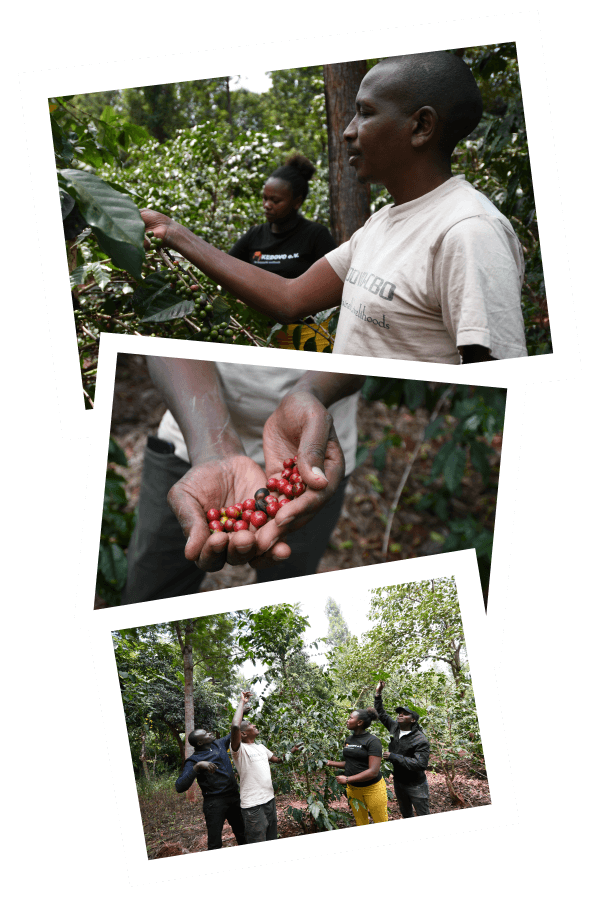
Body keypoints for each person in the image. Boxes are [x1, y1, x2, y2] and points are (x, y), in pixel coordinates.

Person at [140, 51, 527, 364]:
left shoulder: (469, 231)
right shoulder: (383, 223)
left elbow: (497, 382)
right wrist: (175, 233)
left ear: (421, 126)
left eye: (367, 112)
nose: (348, 130)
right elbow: (290, 299)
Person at [121, 358, 363, 603]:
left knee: (288, 600)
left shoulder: (293, 485)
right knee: (147, 597)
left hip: (313, 459)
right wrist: (214, 449)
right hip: (195, 439)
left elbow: (365, 350)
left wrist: (310, 392)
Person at [230, 690, 293, 843]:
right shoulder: (239, 750)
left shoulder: (261, 747)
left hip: (269, 800)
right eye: (250, 725)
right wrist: (242, 703)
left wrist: (292, 751)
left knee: (271, 839)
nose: (255, 725)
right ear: (243, 734)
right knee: (257, 842)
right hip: (253, 806)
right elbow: (234, 727)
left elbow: (277, 760)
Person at [175, 727, 246, 850]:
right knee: (215, 842)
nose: (210, 733)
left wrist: (241, 712)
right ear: (200, 743)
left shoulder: (218, 744)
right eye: (206, 734)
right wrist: (198, 766)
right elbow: (179, 786)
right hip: (214, 803)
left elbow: (234, 731)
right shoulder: (193, 760)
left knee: (242, 832)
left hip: (234, 797)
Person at [374, 681, 431, 817]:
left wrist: (394, 756)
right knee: (406, 814)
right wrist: (378, 693)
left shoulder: (420, 740)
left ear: (412, 720)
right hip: (399, 782)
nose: (400, 715)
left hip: (416, 785)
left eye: (405, 714)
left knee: (423, 814)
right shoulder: (395, 727)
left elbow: (420, 764)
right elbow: (381, 713)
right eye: (399, 713)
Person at [325, 707, 388, 826]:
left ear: (359, 722)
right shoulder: (349, 739)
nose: (347, 720)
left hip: (373, 788)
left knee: (381, 821)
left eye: (350, 718)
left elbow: (373, 771)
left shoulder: (373, 741)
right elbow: (350, 763)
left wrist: (347, 779)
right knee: (360, 822)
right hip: (353, 789)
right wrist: (329, 763)